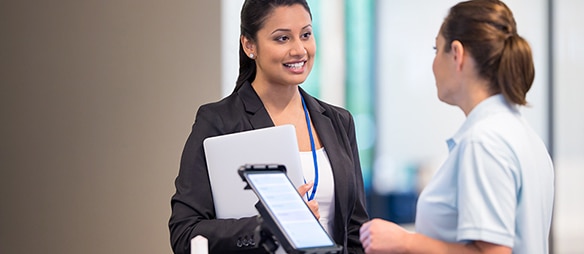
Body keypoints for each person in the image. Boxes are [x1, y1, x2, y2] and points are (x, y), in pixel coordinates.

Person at [169, 0, 369, 253]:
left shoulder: (339, 121)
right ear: (249, 45)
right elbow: (185, 233)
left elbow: (356, 231)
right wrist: (267, 226)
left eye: (306, 34)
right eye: (282, 38)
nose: (299, 49)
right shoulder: (219, 121)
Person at [359, 0, 554, 253]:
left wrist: (405, 242)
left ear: (457, 54)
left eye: (436, 49)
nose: (433, 64)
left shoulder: (484, 141)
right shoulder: (524, 136)